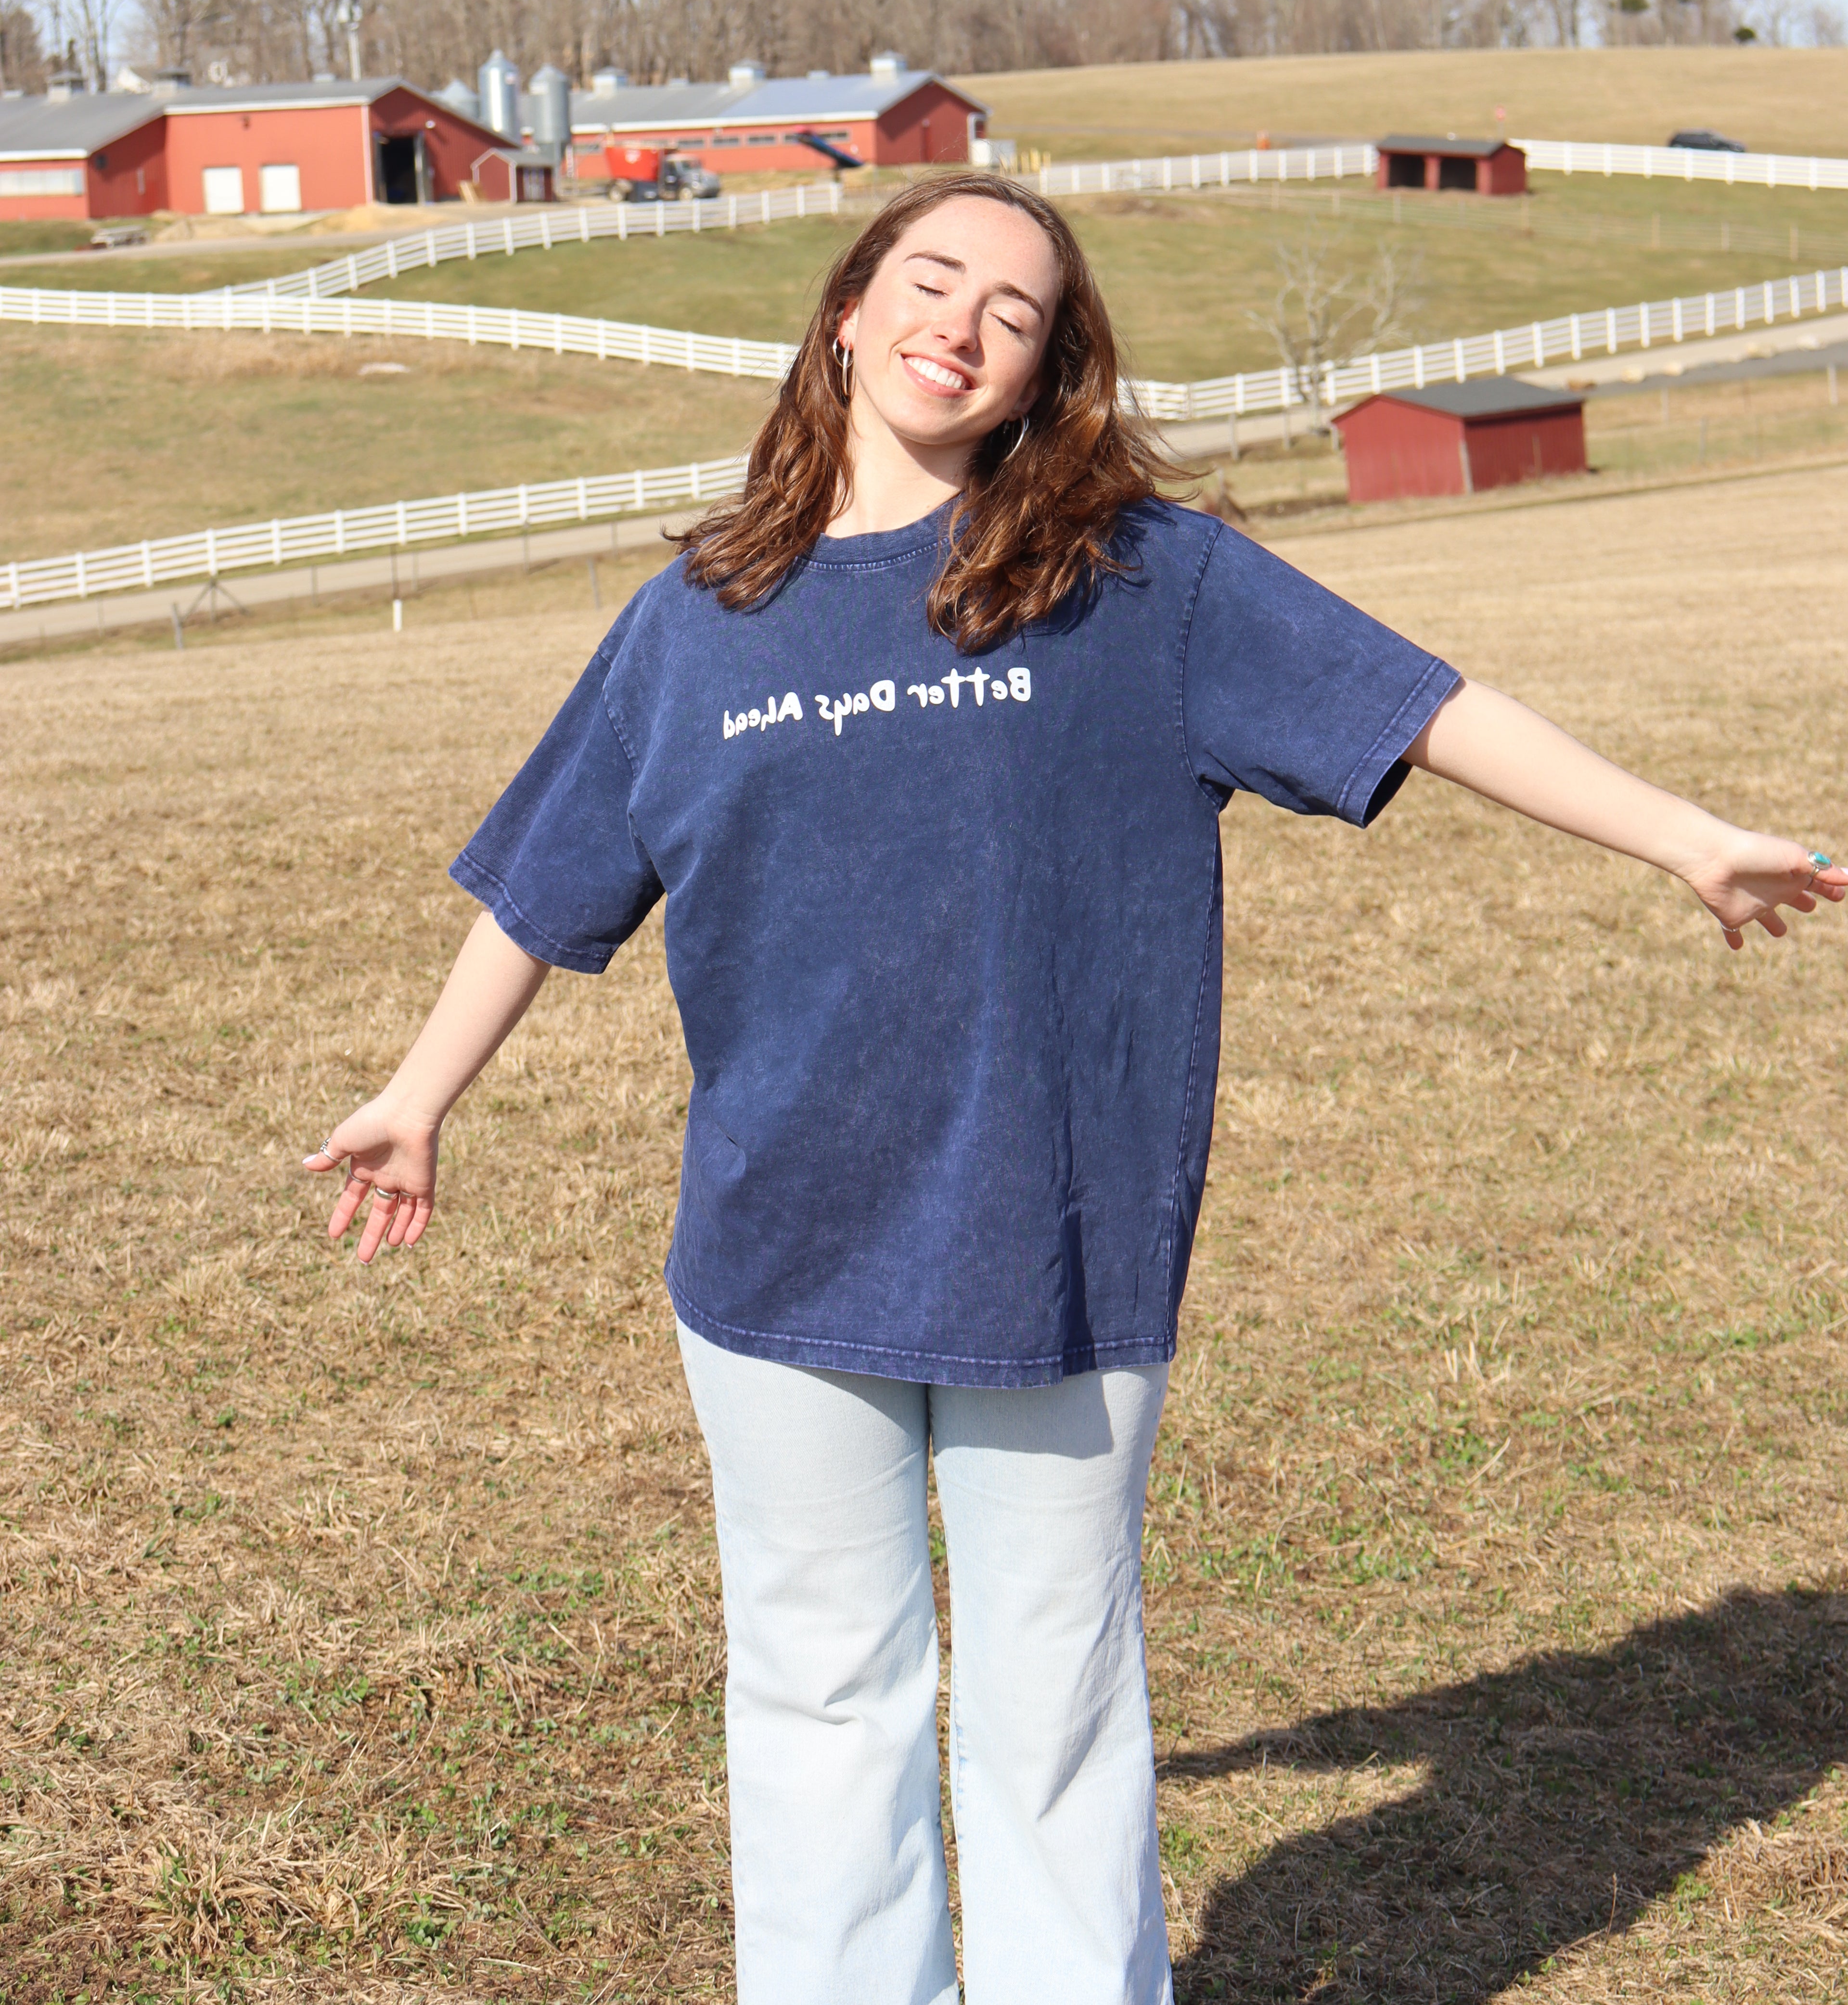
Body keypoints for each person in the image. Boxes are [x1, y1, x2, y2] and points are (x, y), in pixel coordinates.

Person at [306, 174, 1842, 2005]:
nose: (962, 322)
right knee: (821, 1685)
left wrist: (1684, 838)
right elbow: (554, 882)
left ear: (1045, 374)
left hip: (1063, 1244)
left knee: (1054, 1703)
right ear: (851, 313)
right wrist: (418, 1098)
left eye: (1016, 312)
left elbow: (1421, 705)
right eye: (931, 279)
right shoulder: (697, 619)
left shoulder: (1141, 582)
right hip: (780, 1253)